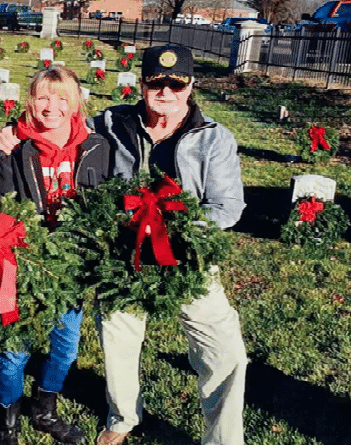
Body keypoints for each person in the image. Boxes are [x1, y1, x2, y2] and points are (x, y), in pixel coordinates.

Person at [89, 45, 248, 445]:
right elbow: (61, 130)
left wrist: (178, 231)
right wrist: (13, 133)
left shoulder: (213, 139)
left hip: (188, 258)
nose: (166, 91)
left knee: (225, 352)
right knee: (118, 337)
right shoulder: (112, 123)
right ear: (142, 84)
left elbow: (227, 207)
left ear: (190, 85)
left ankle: (224, 438)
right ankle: (123, 417)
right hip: (127, 257)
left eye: (176, 83)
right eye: (156, 82)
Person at [0, 65, 110, 445]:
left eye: (61, 98)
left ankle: (44, 408)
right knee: (14, 350)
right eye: (42, 97)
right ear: (30, 101)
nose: (51, 106)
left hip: (70, 264)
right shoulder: (13, 146)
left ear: (75, 104)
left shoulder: (96, 146)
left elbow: (104, 203)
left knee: (66, 343)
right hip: (23, 261)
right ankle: (6, 419)